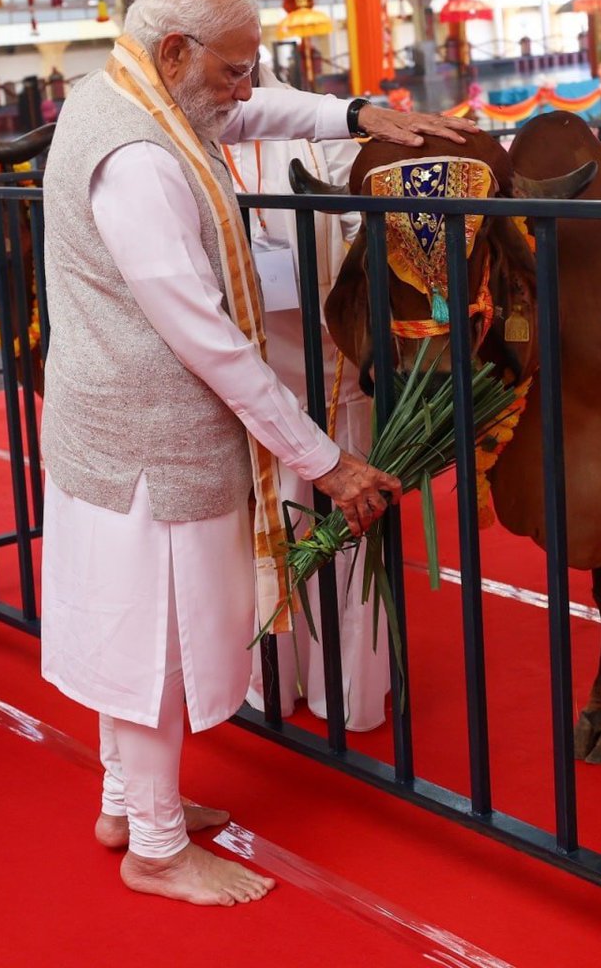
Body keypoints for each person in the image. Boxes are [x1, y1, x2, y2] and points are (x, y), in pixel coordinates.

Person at [38, 0, 476, 907]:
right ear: (174, 52)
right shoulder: (140, 159)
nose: (244, 92)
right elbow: (207, 339)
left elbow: (251, 115)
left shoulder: (125, 93)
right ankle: (157, 849)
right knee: (153, 644)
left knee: (131, 626)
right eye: (235, 70)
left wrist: (353, 114)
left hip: (112, 426)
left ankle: (127, 806)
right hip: (151, 442)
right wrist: (325, 460)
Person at [232, 60, 390, 732]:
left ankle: (347, 695)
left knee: (345, 531)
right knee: (255, 534)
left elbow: (366, 237)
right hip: (237, 377)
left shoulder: (319, 128)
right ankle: (268, 684)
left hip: (332, 371)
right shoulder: (182, 138)